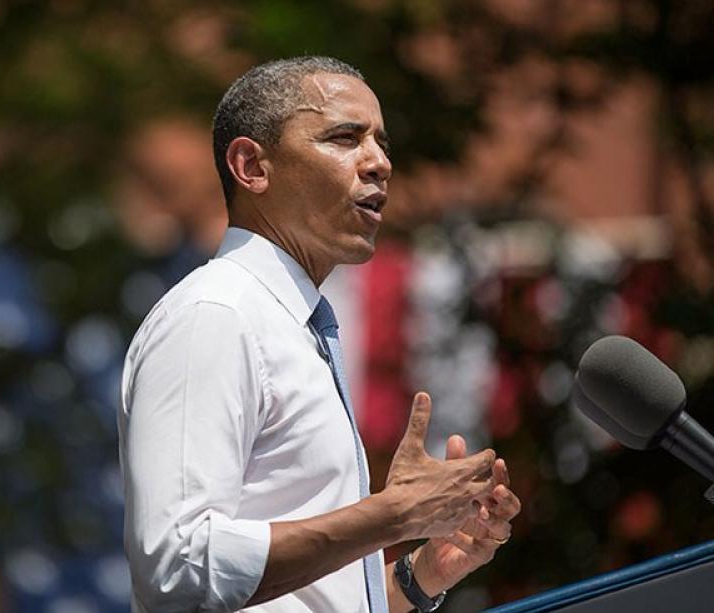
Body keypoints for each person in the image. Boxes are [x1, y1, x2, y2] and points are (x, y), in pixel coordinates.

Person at [118, 56, 521, 613]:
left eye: (381, 142)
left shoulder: (293, 324)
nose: (379, 162)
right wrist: (392, 514)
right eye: (344, 138)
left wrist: (417, 575)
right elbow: (178, 567)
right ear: (252, 167)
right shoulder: (215, 315)